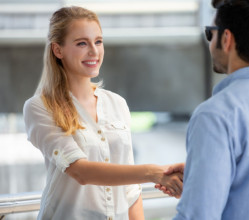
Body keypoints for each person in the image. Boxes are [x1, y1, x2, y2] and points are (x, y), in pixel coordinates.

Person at [23, 6, 183, 220]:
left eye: (98, 41)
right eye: (82, 43)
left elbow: (131, 190)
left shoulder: (117, 103)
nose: (94, 51)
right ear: (58, 50)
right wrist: (154, 173)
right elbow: (80, 171)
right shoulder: (39, 107)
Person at [159, 0, 249, 219]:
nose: (210, 41)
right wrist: (206, 169)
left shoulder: (215, 115)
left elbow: (198, 215)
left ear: (226, 39)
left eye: (210, 33)